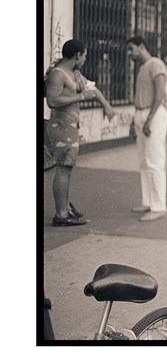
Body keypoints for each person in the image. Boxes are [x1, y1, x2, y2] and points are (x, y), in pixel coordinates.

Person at [45, 39, 116, 226]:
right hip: (60, 127)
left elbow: (91, 89)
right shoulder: (58, 74)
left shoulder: (74, 73)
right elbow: (52, 101)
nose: (85, 59)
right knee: (62, 168)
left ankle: (64, 208)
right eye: (84, 55)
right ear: (77, 55)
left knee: (67, 168)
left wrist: (106, 106)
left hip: (70, 126)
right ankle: (60, 215)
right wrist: (79, 96)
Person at [126, 35, 167, 222]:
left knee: (154, 161)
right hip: (142, 114)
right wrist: (135, 120)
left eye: (131, 49)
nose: (130, 54)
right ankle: (148, 200)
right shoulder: (143, 67)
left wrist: (149, 120)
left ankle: (159, 205)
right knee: (144, 161)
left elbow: (160, 94)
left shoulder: (155, 64)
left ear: (141, 46)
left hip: (154, 114)